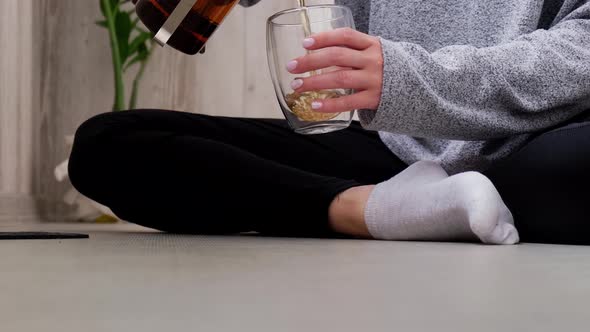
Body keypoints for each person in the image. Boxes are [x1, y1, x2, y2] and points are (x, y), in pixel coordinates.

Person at [68, 0, 590, 245]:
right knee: (106, 145)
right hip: (387, 148)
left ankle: (434, 205)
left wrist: (412, 78)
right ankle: (372, 211)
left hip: (528, 142)